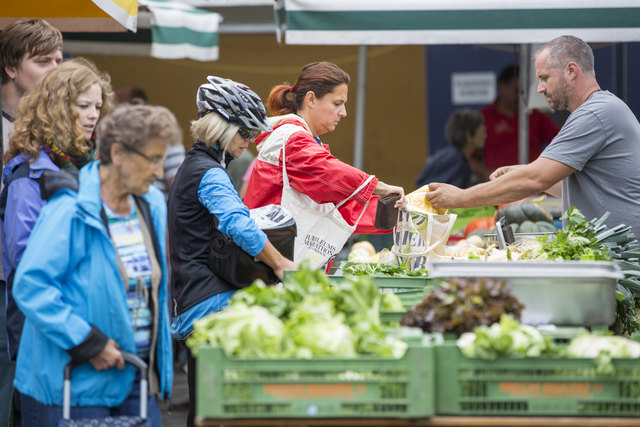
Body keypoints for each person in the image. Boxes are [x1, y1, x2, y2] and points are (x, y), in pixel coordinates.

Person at [11, 104, 180, 426]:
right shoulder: (70, 208)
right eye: (153, 159)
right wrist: (89, 343)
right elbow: (32, 284)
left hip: (138, 374)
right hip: (81, 380)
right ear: (117, 153)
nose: (160, 173)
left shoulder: (151, 203)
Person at [168, 76, 297, 427]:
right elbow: (239, 225)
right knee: (219, 410)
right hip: (207, 303)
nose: (249, 142)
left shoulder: (197, 166)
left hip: (194, 298)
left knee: (206, 408)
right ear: (222, 129)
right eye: (245, 133)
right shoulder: (209, 173)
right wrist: (282, 263)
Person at [425, 35, 640, 237]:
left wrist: (461, 197)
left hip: (621, 262)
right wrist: (525, 171)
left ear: (571, 71)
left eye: (544, 78)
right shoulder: (601, 109)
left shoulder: (594, 114)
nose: (539, 88)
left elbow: (534, 180)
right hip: (613, 258)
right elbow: (579, 188)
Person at [244, 62, 406, 262]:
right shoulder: (292, 138)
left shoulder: (299, 138)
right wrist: (379, 187)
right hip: (271, 267)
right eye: (337, 104)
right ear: (311, 99)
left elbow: (337, 209)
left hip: (278, 263)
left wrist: (398, 212)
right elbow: (329, 172)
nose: (344, 112)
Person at [0, 18, 62, 425]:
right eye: (43, 61)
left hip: (32, 285)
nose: (56, 70)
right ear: (10, 68)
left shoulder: (46, 129)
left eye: (59, 59)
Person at [481, 64, 560, 169]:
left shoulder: (535, 116)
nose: (520, 96)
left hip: (531, 181)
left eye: (523, 92)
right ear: (501, 86)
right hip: (496, 182)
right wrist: (484, 172)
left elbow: (561, 141)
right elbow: (467, 154)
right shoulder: (484, 118)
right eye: (516, 90)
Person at [116, 85, 186, 198]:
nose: (114, 113)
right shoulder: (114, 139)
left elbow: (178, 192)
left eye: (119, 106)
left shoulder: (166, 137)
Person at [415, 109, 486, 189]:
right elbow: (430, 188)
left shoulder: (458, 158)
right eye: (482, 132)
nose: (485, 136)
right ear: (469, 135)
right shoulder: (454, 158)